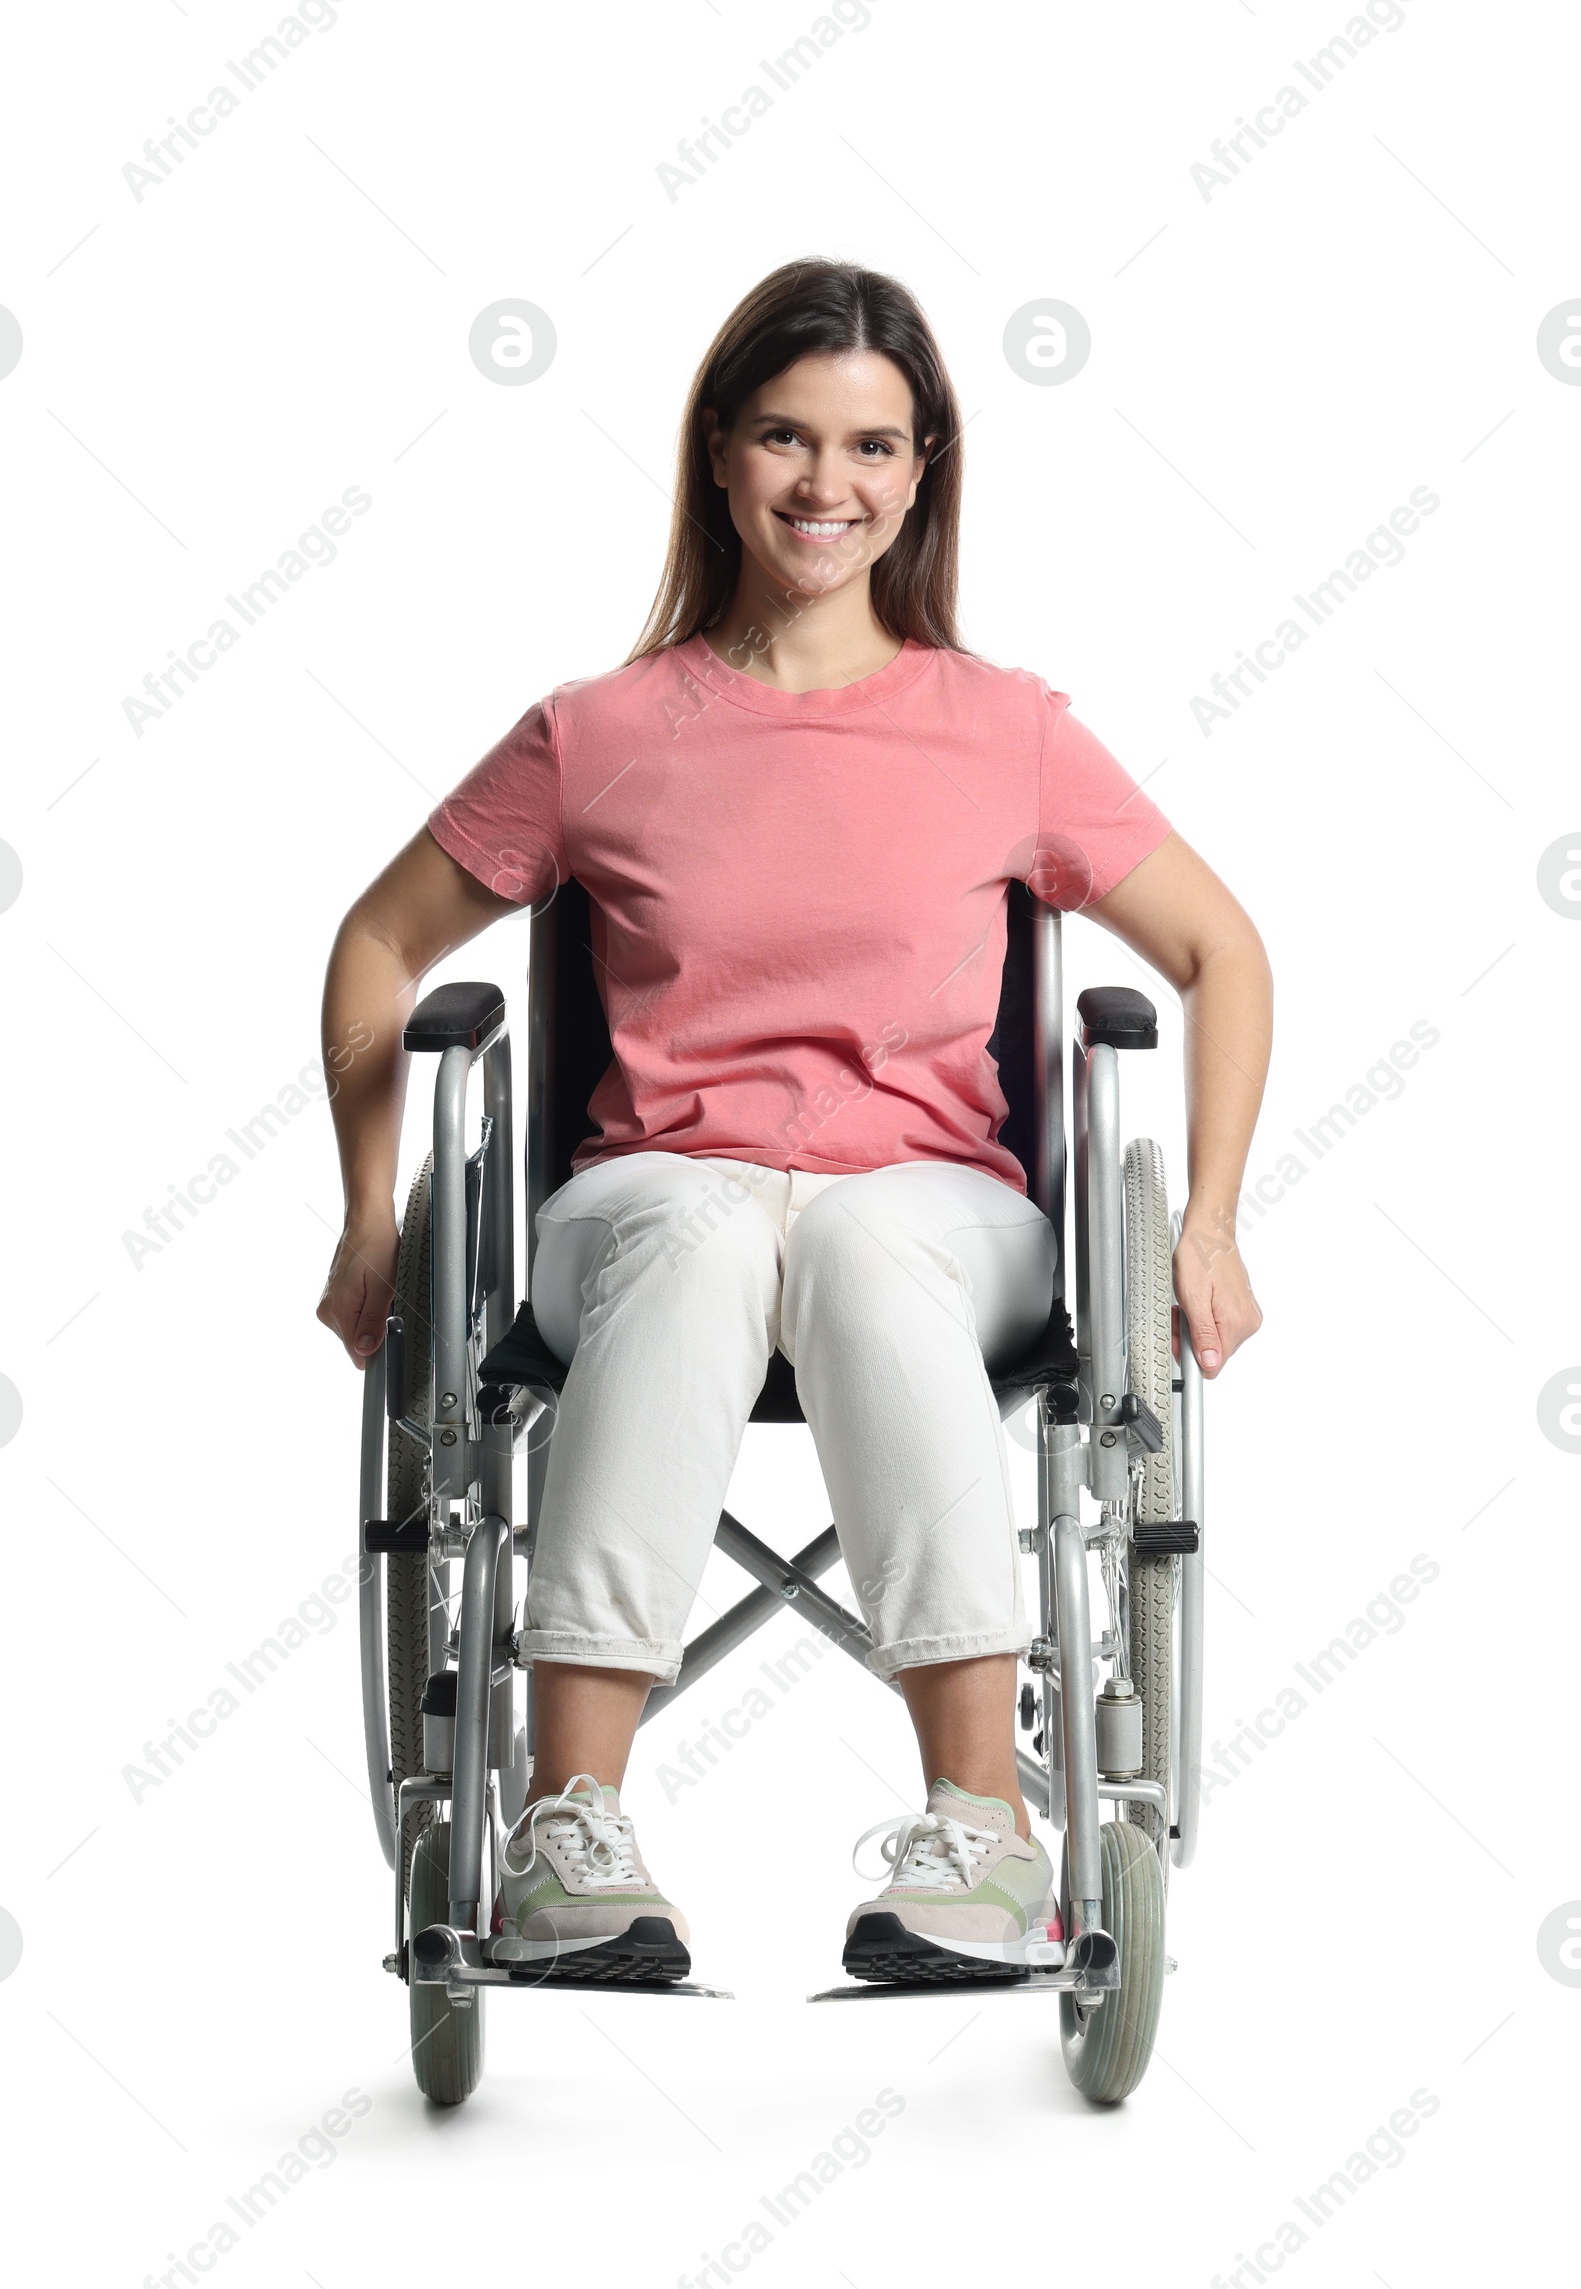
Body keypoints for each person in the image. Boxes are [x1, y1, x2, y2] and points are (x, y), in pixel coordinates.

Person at [316, 258, 1270, 1986]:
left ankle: (982, 1824)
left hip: (932, 1205)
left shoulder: (1007, 731)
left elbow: (1220, 950)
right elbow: (383, 941)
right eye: (784, 436)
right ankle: (568, 1827)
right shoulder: (601, 732)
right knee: (697, 1228)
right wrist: (371, 1211)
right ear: (720, 455)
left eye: (869, 446)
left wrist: (1204, 1218)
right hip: (649, 1199)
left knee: (852, 1235)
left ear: (922, 472)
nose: (825, 485)